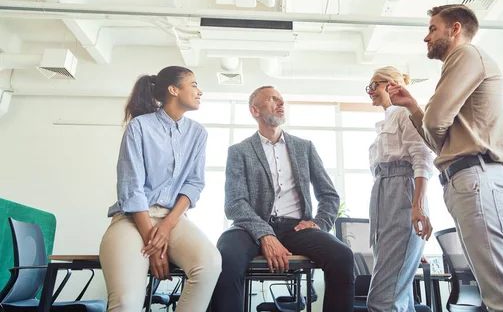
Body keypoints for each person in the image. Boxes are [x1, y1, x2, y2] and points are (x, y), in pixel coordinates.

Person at [387, 5, 503, 311]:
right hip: (469, 181)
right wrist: (414, 107)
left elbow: (435, 125)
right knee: (499, 296)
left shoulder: (466, 54)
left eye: (433, 28)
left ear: (455, 28)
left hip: (478, 180)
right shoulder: (464, 62)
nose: (426, 37)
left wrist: (427, 117)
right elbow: (437, 139)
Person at [211, 86, 355, 312]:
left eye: (281, 100)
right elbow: (235, 203)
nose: (281, 103)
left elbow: (328, 194)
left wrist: (319, 223)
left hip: (296, 227)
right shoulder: (239, 151)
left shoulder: (304, 147)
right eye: (272, 99)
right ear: (255, 110)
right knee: (226, 258)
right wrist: (265, 233)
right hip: (249, 227)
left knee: (342, 255)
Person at [99, 66, 221, 312]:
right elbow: (131, 187)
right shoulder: (139, 127)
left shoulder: (198, 133)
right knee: (126, 303)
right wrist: (152, 246)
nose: (200, 91)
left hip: (172, 219)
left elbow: (194, 183)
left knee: (209, 264)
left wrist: (165, 227)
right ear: (173, 90)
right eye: (194, 84)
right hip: (133, 219)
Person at [365, 66, 435, 312]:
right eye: (369, 87)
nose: (370, 91)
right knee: (396, 293)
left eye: (375, 85)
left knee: (383, 298)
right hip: (383, 194)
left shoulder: (405, 113)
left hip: (401, 193)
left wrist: (417, 206)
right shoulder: (385, 120)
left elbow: (422, 158)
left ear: (392, 84)